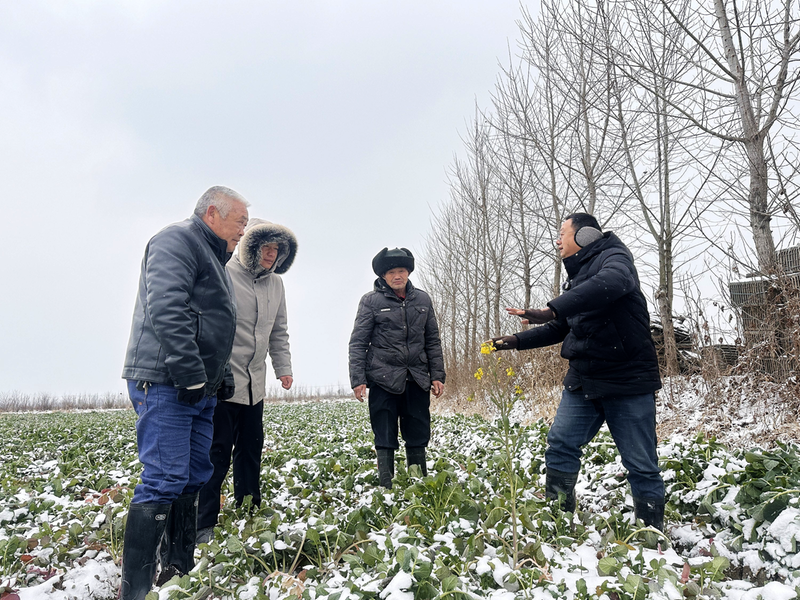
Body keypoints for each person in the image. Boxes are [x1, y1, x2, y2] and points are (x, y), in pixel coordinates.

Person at [489, 213, 666, 530]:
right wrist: (512, 341)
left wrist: (551, 308)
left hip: (627, 380)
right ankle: (558, 521)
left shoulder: (615, 258)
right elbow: (560, 328)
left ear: (585, 236)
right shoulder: (576, 279)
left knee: (640, 462)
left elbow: (612, 283)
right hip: (583, 380)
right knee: (560, 444)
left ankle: (652, 533)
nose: (557, 241)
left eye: (562, 233)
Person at [120, 186, 249, 599]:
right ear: (212, 213)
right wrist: (191, 372)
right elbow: (168, 308)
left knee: (194, 475)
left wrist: (220, 375)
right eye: (240, 222)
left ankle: (177, 570)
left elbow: (212, 326)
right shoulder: (176, 241)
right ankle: (136, 590)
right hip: (166, 380)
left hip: (198, 387)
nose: (243, 231)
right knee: (164, 477)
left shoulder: (215, 258)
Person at [196, 218, 297, 544]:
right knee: (216, 452)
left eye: (277, 249)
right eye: (266, 247)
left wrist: (283, 367)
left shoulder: (276, 285)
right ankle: (203, 522)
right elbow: (208, 324)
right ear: (251, 247)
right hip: (223, 383)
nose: (271, 254)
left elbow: (278, 331)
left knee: (251, 449)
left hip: (255, 384)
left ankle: (249, 509)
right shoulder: (224, 272)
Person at [348, 247, 446, 489]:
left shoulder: (422, 300)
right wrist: (358, 379)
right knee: (384, 433)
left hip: (417, 377)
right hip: (383, 378)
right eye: (391, 272)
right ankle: (386, 487)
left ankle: (418, 483)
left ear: (408, 272)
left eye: (401, 270)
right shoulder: (370, 302)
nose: (397, 276)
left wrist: (437, 375)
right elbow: (358, 342)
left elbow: (432, 340)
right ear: (383, 275)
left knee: (418, 432)